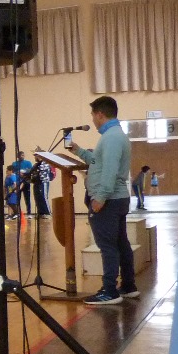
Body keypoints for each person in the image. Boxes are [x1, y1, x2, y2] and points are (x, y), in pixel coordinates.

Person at [66, 96, 138, 305]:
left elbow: (110, 170)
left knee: (107, 246)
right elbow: (98, 162)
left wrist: (100, 197)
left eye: (93, 115)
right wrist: (78, 151)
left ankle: (109, 291)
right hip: (116, 199)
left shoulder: (112, 137)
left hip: (109, 200)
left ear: (99, 114)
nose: (93, 120)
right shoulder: (113, 135)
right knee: (120, 243)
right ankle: (128, 286)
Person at [11, 151, 34, 216]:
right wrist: (18, 173)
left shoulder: (28, 163)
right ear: (18, 156)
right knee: (18, 198)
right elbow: (13, 172)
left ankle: (29, 213)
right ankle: (18, 212)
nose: (22, 157)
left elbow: (31, 171)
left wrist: (24, 172)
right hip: (18, 182)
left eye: (23, 155)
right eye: (21, 155)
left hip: (26, 182)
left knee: (27, 198)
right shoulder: (15, 164)